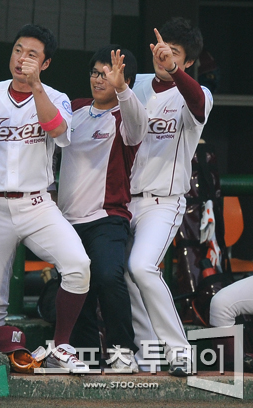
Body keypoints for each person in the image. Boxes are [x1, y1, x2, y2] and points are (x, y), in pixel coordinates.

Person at [0, 23, 90, 372]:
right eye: (18, 50)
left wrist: (37, 86)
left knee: (78, 265)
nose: (21, 59)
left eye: (32, 54)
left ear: (45, 64)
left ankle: (61, 346)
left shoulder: (55, 97)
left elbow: (59, 131)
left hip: (36, 204)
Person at [124, 17, 213, 376]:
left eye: (174, 53)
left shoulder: (197, 91)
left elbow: (197, 105)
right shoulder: (137, 83)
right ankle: (150, 352)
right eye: (162, 50)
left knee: (141, 267)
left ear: (188, 60)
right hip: (122, 199)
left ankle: (180, 352)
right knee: (126, 274)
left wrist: (175, 70)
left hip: (163, 201)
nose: (163, 57)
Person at [56, 45, 147, 372]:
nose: (98, 79)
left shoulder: (129, 116)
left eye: (107, 75)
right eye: (95, 72)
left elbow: (137, 124)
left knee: (109, 278)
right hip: (65, 222)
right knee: (76, 286)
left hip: (108, 217)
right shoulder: (75, 108)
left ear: (125, 80)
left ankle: (124, 354)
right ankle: (87, 357)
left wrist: (122, 88)